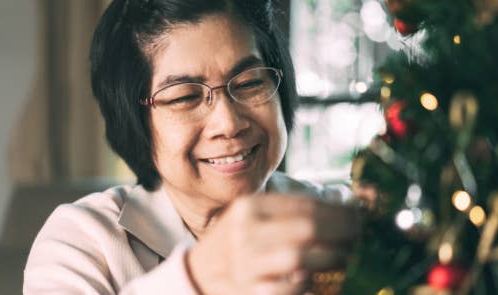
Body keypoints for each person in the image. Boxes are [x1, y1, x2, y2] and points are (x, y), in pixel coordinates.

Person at [23, 0, 359, 294]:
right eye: (185, 97)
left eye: (250, 82)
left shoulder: (336, 217)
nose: (228, 123)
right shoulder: (82, 241)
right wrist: (200, 276)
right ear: (133, 119)